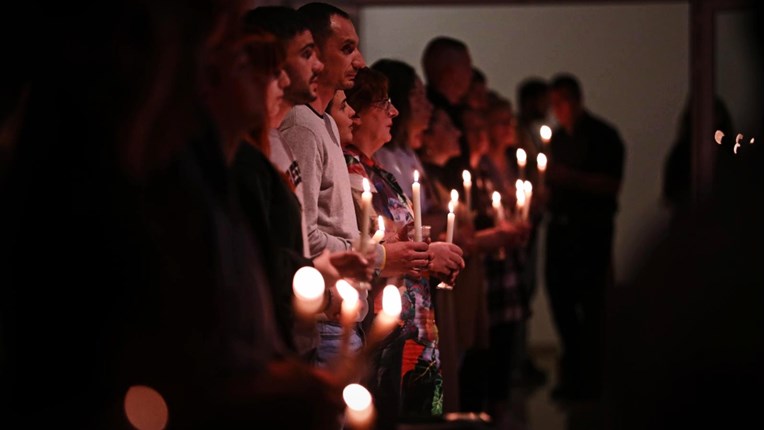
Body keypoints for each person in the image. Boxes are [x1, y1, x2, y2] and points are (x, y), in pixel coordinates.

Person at [342, 67, 465, 422]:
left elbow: (401, 236)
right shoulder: (351, 171)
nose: (394, 112)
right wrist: (430, 255)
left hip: (412, 325)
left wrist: (432, 255)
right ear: (357, 112)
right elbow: (373, 244)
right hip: (388, 330)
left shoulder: (377, 171)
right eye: (384, 103)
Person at [545, 73, 625, 401]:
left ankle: (592, 379)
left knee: (593, 303)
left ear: (577, 100)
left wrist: (570, 178)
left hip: (591, 232)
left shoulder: (605, 136)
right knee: (559, 299)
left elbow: (611, 185)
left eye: (561, 102)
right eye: (553, 104)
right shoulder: (559, 140)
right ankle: (574, 369)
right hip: (560, 230)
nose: (557, 110)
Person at [421, 36, 474, 191]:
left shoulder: (457, 110)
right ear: (450, 72)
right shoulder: (433, 112)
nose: (470, 74)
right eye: (467, 67)